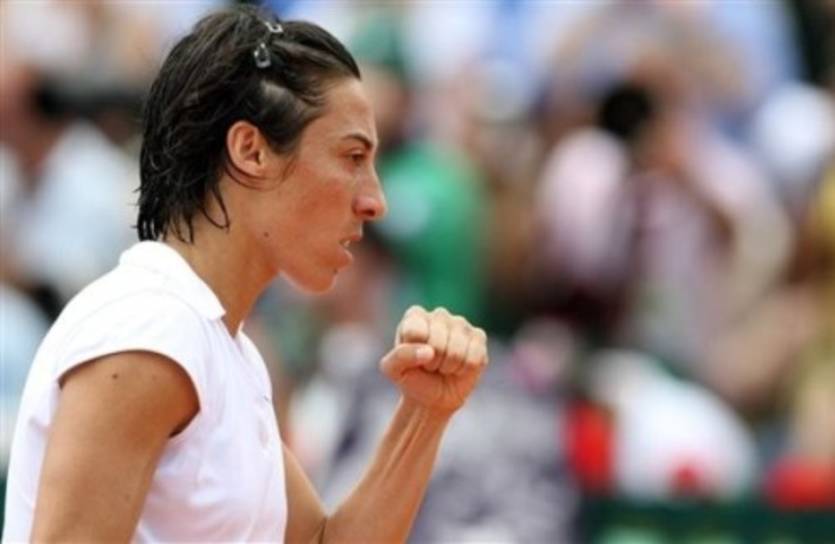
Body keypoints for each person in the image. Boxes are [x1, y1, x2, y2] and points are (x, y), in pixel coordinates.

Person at [2, 6, 489, 543]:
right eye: (352, 156)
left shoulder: (221, 347)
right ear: (251, 151)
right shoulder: (151, 331)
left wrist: (424, 412)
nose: (375, 201)